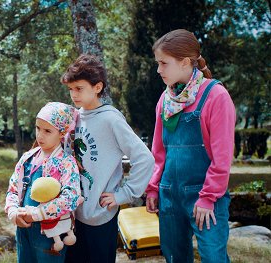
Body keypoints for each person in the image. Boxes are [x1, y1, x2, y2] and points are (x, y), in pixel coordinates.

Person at [145, 29, 236, 263]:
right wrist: (154, 188)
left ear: (185, 62)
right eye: (158, 63)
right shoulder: (165, 100)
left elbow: (222, 157)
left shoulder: (216, 96)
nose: (158, 70)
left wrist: (208, 197)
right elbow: (158, 151)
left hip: (205, 197)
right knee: (175, 258)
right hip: (169, 195)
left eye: (164, 63)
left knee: (213, 258)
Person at [61, 54, 155, 263]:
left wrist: (124, 194)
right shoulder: (74, 117)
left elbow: (145, 159)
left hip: (100, 216)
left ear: (97, 87)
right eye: (70, 89)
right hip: (73, 215)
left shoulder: (111, 119)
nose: (73, 94)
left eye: (79, 88)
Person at [5, 102, 82, 263]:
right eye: (38, 128)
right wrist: (12, 211)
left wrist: (37, 214)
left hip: (51, 236)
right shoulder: (28, 157)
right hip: (24, 231)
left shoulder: (66, 162)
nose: (40, 135)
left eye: (47, 131)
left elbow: (71, 197)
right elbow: (13, 188)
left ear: (62, 133)